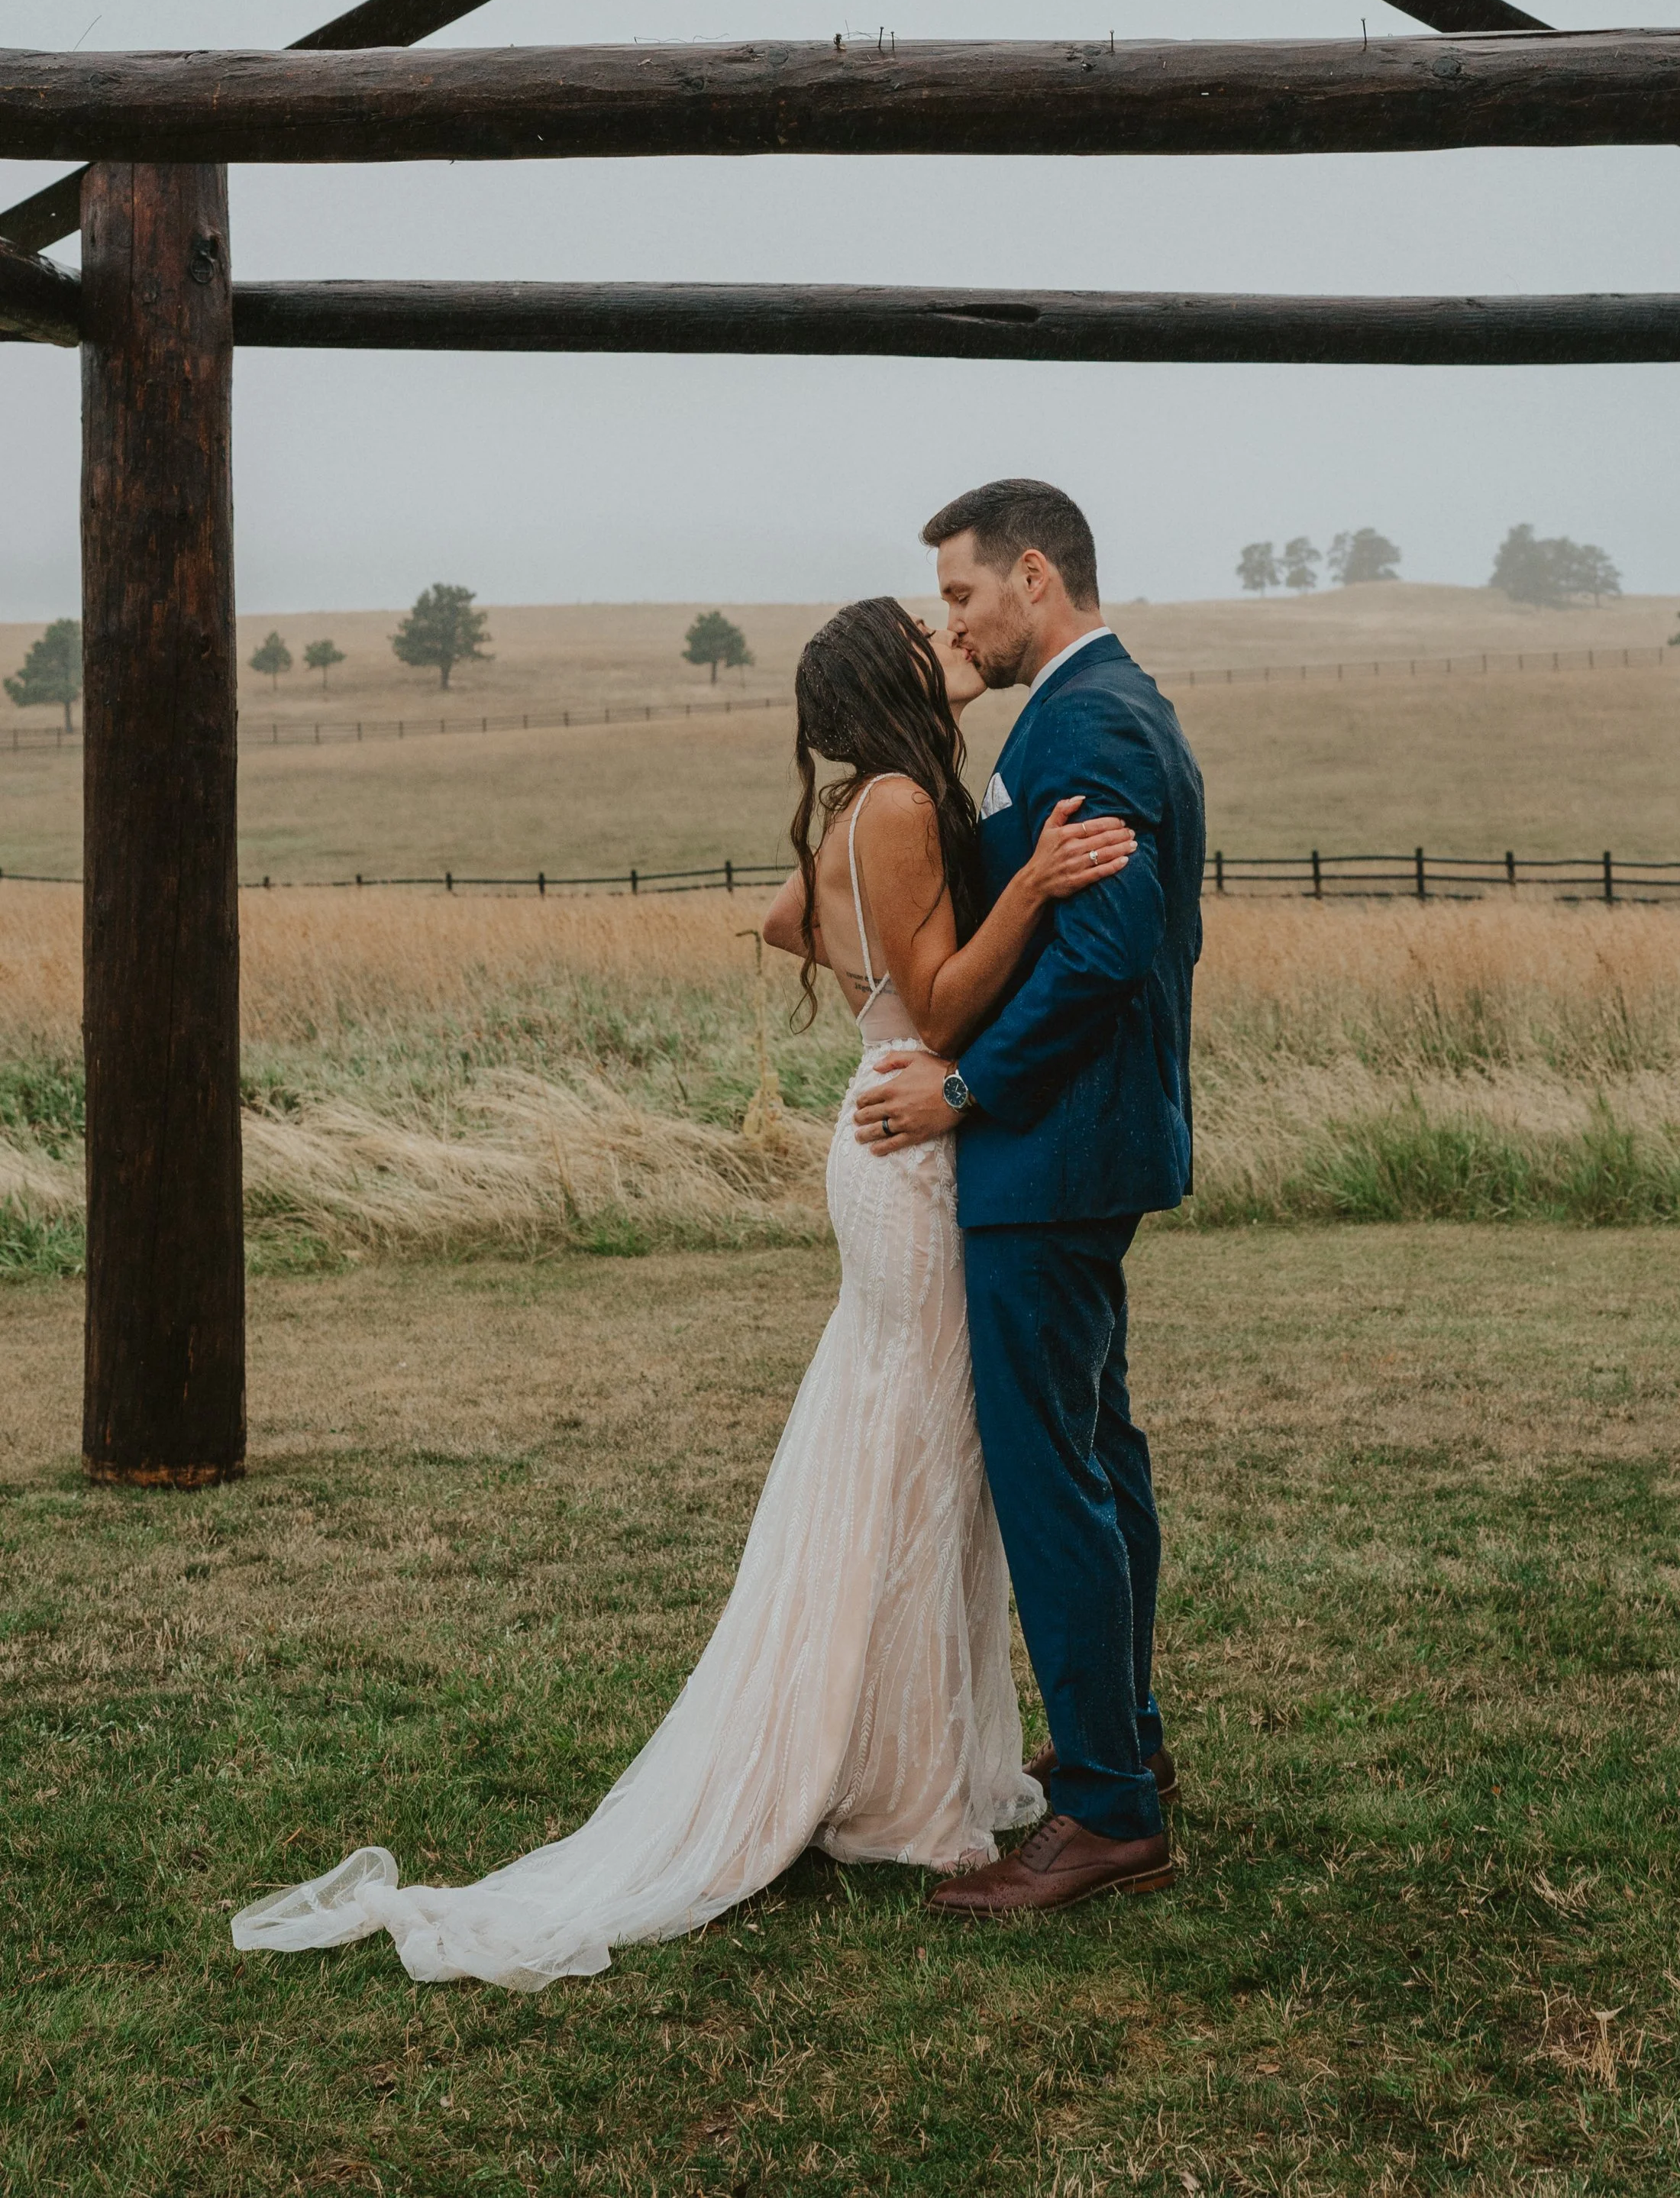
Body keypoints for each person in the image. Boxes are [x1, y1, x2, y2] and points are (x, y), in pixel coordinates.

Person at [229, 596, 1136, 1990]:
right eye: (923, 634)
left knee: (907, 1445)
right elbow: (947, 1008)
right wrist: (1019, 896)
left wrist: (862, 977)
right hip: (911, 1146)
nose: (943, 638)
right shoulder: (895, 803)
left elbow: (789, 916)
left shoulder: (868, 804)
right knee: (919, 1452)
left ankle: (897, 1757)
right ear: (890, 683)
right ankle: (891, 1784)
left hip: (879, 1127)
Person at [852, 478, 1205, 1918]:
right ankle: (1128, 1750)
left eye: (962, 594)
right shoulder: (1093, 710)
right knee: (1096, 1447)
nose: (955, 620)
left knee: (1053, 1469)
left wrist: (969, 1089)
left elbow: (1110, 949)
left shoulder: (1090, 721)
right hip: (1075, 1146)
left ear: (1036, 577)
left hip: (1049, 1149)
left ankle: (1108, 1813)